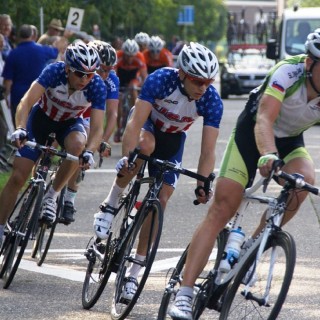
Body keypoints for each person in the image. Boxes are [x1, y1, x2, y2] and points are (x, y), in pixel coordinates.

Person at [168, 28, 320, 319]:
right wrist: (268, 154)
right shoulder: (287, 73)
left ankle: (252, 248)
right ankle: (184, 294)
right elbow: (264, 118)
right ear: (311, 64)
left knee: (304, 182)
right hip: (253, 134)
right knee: (224, 206)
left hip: (290, 140)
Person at [93, 42, 222, 301]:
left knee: (161, 199)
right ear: (183, 74)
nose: (203, 87)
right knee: (145, 146)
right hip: (148, 127)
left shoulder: (210, 99)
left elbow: (207, 152)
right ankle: (111, 202)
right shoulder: (161, 79)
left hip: (173, 139)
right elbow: (134, 122)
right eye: (198, 81)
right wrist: (129, 156)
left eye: (208, 81)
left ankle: (134, 272)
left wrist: (202, 184)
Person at [0, 41, 107, 247]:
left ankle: (52, 195)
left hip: (68, 124)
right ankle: (1, 228)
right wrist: (21, 127)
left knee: (78, 145)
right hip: (41, 120)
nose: (85, 79)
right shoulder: (53, 72)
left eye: (90, 74)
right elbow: (26, 101)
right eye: (79, 73)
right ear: (67, 69)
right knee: (18, 176)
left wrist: (90, 151)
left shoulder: (96, 86)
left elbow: (96, 128)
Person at [61, 40, 119, 223]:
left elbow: (112, 114)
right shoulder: (80, 72)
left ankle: (69, 199)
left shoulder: (111, 80)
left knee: (84, 150)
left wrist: (103, 140)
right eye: (101, 69)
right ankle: (35, 186)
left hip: (88, 115)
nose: (104, 74)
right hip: (68, 109)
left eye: (108, 69)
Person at [2, 24, 59, 126]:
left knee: (19, 129)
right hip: (38, 97)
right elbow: (57, 50)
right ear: (33, 35)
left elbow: (8, 81)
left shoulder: (13, 54)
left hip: (18, 98)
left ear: (19, 36)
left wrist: (5, 98)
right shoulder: (42, 50)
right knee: (35, 130)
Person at [114, 38, 148, 142]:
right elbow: (113, 75)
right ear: (123, 53)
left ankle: (135, 111)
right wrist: (115, 89)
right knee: (118, 101)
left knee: (133, 88)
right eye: (127, 55)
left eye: (131, 56)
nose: (129, 58)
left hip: (133, 78)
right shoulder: (118, 56)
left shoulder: (139, 57)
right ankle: (119, 127)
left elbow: (144, 76)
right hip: (120, 77)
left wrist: (144, 88)